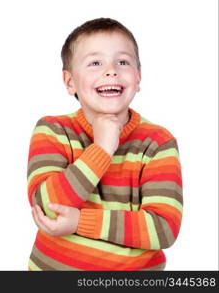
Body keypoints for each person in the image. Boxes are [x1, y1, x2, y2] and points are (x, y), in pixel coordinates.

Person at [27, 17, 183, 271]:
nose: (111, 70)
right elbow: (47, 208)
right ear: (70, 82)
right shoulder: (53, 130)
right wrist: (101, 149)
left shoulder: (158, 142)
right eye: (95, 62)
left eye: (123, 62)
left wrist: (79, 222)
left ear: (138, 77)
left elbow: (163, 229)